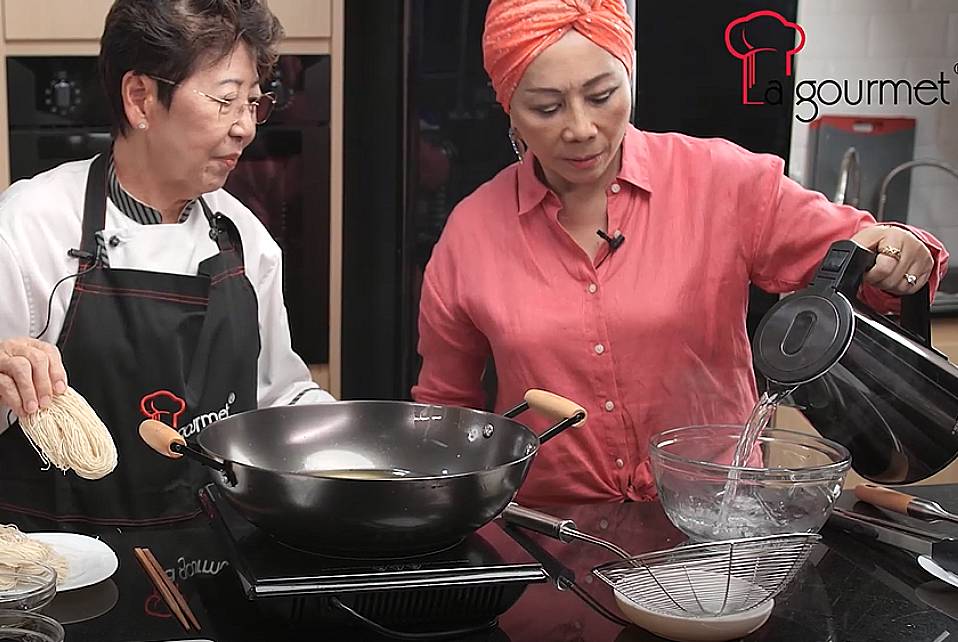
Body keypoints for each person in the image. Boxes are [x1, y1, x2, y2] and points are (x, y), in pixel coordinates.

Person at [412, 0, 949, 507]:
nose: (580, 128)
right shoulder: (472, 234)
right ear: (509, 107)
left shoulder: (723, 183)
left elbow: (864, 256)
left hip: (717, 526)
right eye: (546, 107)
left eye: (601, 96)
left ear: (629, 76)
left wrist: (897, 252)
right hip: (554, 537)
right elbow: (445, 415)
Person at [0, 0, 334, 526]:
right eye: (226, 101)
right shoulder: (29, 229)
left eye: (253, 102)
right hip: (66, 573)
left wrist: (359, 445)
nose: (245, 127)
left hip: (219, 564)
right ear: (140, 98)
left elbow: (278, 396)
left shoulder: (244, 237)